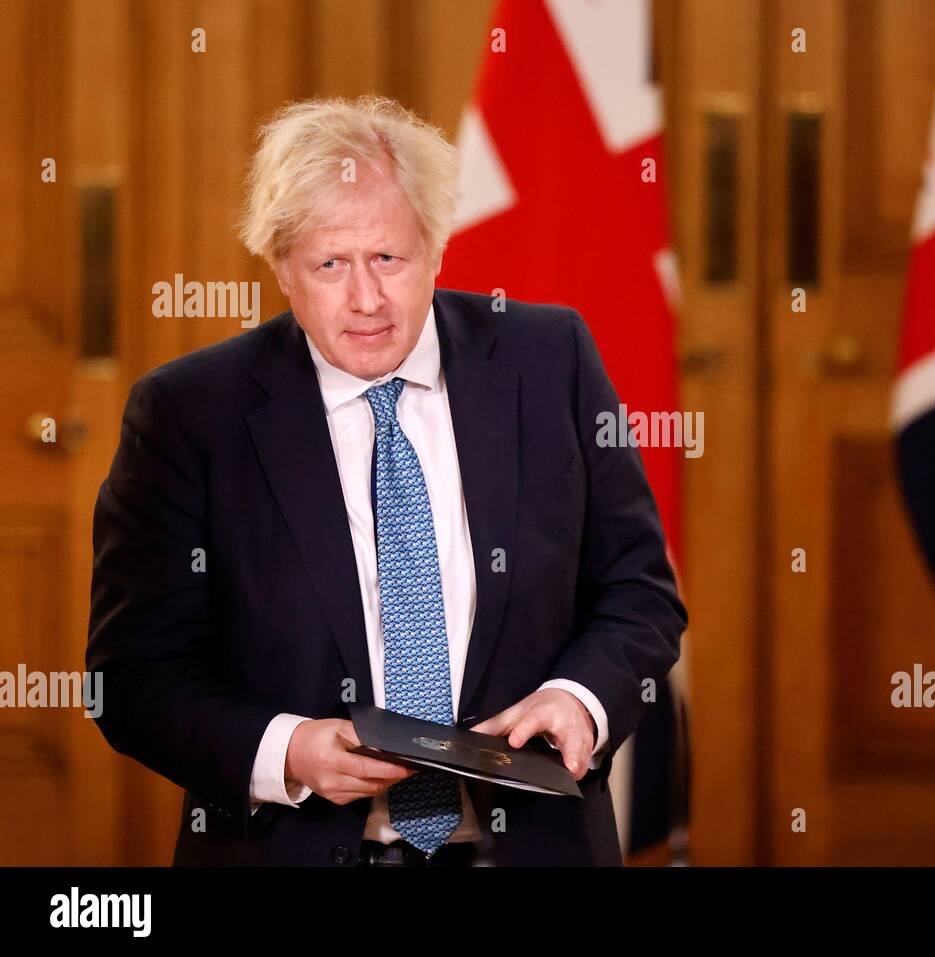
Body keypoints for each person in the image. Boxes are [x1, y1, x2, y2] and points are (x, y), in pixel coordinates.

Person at [86, 96, 686, 866]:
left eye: (388, 259)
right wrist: (288, 748)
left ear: (435, 248)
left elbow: (640, 589)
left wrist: (578, 699)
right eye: (330, 264)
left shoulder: (550, 360)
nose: (366, 299)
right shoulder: (188, 415)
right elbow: (132, 675)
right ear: (280, 266)